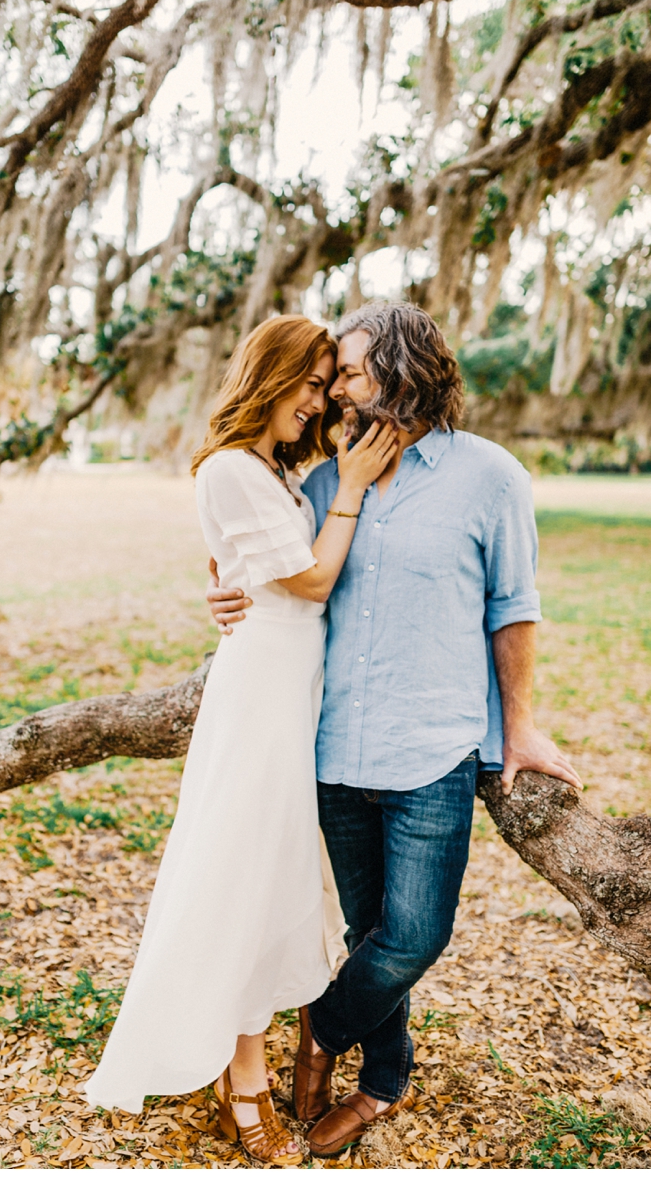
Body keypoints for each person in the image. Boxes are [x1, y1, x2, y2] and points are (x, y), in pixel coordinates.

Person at [208, 301, 582, 1158]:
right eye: (332, 371)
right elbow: (274, 572)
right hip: (332, 747)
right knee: (370, 927)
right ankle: (382, 1085)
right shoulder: (321, 481)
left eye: (349, 367)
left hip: (434, 748)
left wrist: (517, 725)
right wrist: (221, 591)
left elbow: (514, 608)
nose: (334, 384)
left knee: (415, 935)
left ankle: (321, 1023)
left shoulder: (491, 477)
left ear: (408, 366)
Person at [84, 314, 398, 1165]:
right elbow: (312, 575)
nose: (321, 399)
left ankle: (244, 1066)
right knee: (243, 879)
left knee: (270, 878)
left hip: (294, 694)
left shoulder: (270, 471)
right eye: (310, 381)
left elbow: (257, 571)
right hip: (260, 701)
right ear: (270, 375)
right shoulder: (231, 468)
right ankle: (246, 1078)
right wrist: (354, 489)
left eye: (330, 381)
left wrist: (226, 579)